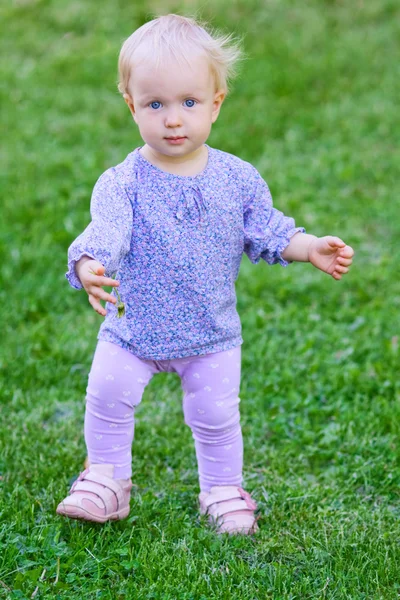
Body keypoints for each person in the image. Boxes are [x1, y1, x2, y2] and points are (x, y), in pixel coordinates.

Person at [56, 14, 354, 534]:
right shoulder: (121, 182)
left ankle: (221, 489)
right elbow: (104, 232)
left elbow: (267, 229)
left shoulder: (236, 179)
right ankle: (106, 478)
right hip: (133, 327)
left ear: (216, 103)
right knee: (106, 398)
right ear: (132, 105)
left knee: (216, 418)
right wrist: (88, 266)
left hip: (211, 334)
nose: (174, 119)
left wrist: (309, 248)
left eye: (189, 102)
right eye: (156, 104)